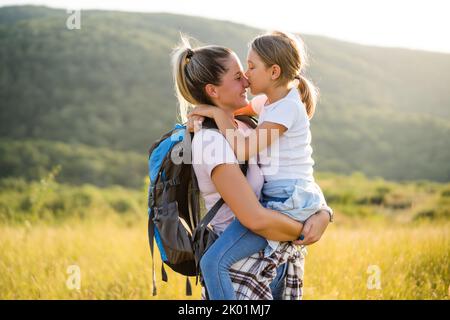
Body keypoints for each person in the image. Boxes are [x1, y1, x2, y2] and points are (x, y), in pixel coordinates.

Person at [172, 35, 331, 299]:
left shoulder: (254, 121)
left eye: (249, 68)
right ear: (213, 90)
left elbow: (295, 170)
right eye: (238, 76)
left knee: (213, 263)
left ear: (274, 71)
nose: (246, 78)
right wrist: (307, 227)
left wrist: (324, 213)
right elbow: (255, 218)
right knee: (212, 262)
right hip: (242, 269)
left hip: (272, 250)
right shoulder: (212, 140)